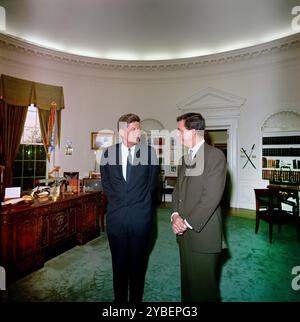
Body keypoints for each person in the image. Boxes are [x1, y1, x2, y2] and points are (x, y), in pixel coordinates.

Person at [100, 113, 159, 303]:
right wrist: (119, 202)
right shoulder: (108, 154)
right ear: (122, 131)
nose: (138, 132)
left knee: (137, 267)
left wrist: (138, 205)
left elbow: (151, 186)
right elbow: (107, 185)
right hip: (116, 220)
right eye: (134, 128)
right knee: (118, 266)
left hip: (140, 220)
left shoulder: (149, 153)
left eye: (138, 128)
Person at [171, 112, 227, 302]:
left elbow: (211, 197)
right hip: (184, 234)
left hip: (203, 234)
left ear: (193, 131)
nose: (178, 135)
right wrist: (175, 216)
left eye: (180, 131)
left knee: (204, 291)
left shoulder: (215, 156)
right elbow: (177, 192)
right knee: (188, 287)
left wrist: (185, 222)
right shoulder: (183, 160)